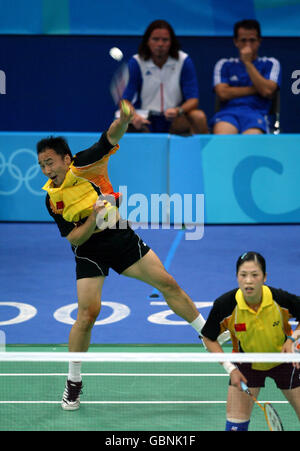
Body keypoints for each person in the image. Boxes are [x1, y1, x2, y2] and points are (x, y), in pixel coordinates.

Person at [37, 100, 226, 411]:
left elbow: (111, 136)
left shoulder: (85, 164)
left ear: (66, 159)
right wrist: (93, 220)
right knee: (87, 314)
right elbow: (74, 237)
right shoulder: (52, 199)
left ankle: (205, 334)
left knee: (167, 283)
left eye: (51, 162)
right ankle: (73, 382)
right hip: (88, 250)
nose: (47, 170)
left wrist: (124, 118)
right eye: (42, 164)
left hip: (119, 237)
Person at [201, 251, 300, 431]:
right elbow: (208, 338)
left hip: (285, 360)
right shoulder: (226, 305)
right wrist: (230, 369)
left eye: (255, 275)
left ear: (264, 277)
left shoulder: (280, 300)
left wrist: (293, 339)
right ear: (237, 277)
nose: (248, 280)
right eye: (243, 275)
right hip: (246, 364)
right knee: (235, 427)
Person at [121, 19, 208, 135]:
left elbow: (193, 100)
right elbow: (125, 101)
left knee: (198, 116)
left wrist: (178, 110)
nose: (160, 44)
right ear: (148, 41)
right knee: (123, 122)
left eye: (165, 40)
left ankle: (201, 153)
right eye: (155, 39)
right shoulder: (137, 62)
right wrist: (134, 116)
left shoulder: (183, 61)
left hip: (175, 117)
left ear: (171, 42)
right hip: (146, 117)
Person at [211, 19, 281, 135]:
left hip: (257, 114)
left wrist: (248, 63)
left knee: (250, 140)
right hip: (228, 114)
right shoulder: (224, 64)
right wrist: (255, 89)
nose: (248, 45)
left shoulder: (271, 63)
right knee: (223, 136)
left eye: (252, 40)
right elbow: (223, 93)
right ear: (236, 42)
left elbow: (267, 91)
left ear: (259, 41)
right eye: (243, 40)